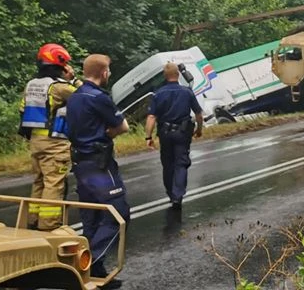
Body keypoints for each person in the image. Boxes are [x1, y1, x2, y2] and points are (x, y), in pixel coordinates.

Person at [65, 54, 130, 288]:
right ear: (104, 73)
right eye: (109, 71)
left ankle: (95, 275)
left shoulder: (73, 98)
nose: (109, 74)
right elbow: (122, 126)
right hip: (99, 163)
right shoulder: (98, 97)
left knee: (91, 217)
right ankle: (91, 260)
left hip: (80, 163)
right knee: (118, 213)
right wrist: (107, 133)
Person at [19, 43, 78, 230]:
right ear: (60, 65)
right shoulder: (59, 87)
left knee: (39, 181)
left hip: (35, 142)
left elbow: (22, 110)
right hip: (55, 143)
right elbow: (86, 97)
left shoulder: (31, 85)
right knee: (54, 183)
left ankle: (33, 221)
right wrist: (74, 79)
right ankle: (49, 226)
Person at [145, 62, 204, 209]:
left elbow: (151, 117)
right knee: (181, 163)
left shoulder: (158, 94)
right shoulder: (187, 92)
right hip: (182, 133)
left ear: (165, 76)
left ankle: (171, 194)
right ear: (178, 75)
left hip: (165, 133)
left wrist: (148, 137)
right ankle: (178, 195)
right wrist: (199, 129)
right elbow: (198, 114)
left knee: (168, 164)